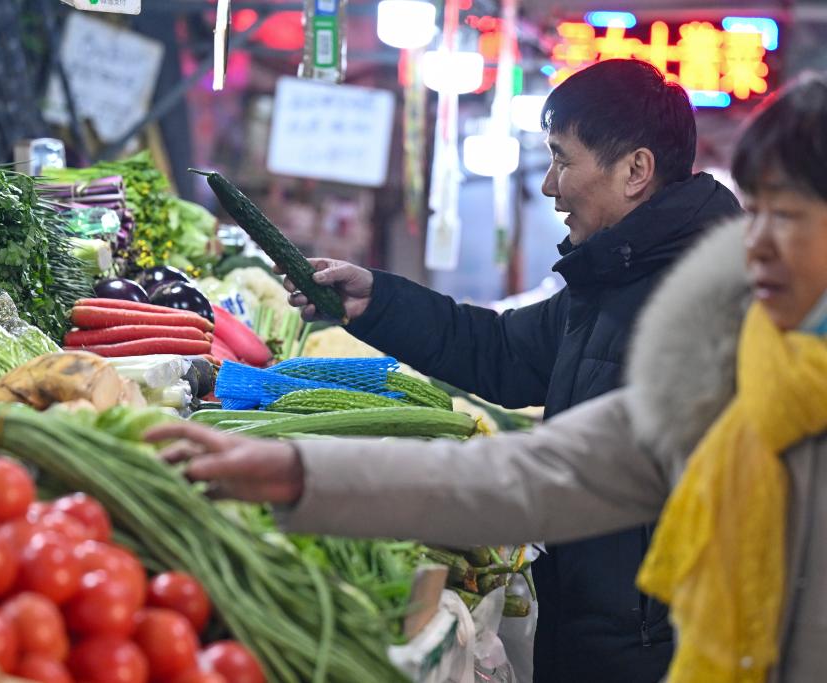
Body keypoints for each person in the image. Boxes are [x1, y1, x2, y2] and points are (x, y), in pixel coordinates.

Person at [149, 72, 827, 683]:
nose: (758, 241)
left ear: (636, 170)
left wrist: (297, 473)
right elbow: (518, 402)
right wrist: (371, 315)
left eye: (788, 216)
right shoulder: (671, 308)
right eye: (759, 210)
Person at [292, 58, 740, 682]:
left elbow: (569, 476)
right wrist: (377, 301)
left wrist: (321, 480)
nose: (550, 185)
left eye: (562, 159)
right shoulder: (613, 278)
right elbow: (501, 351)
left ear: (635, 171)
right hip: (594, 624)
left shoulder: (703, 302)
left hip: (656, 648)